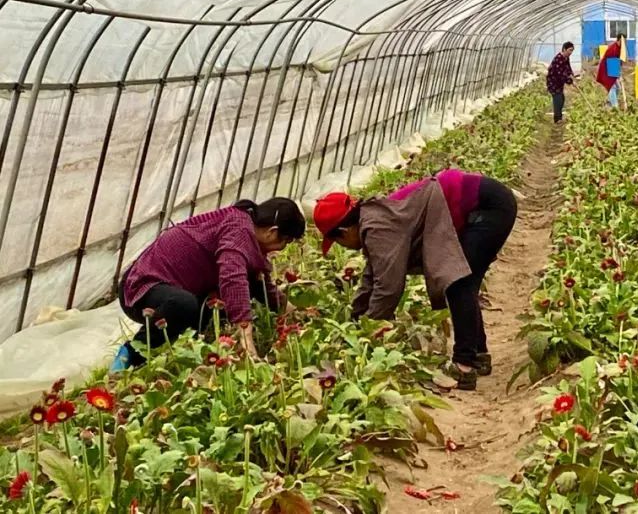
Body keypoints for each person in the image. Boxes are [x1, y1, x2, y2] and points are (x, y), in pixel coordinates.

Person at [314, 169, 517, 390]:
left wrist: (368, 331)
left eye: (339, 243)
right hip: (486, 204)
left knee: (459, 283)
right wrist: (356, 319)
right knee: (464, 283)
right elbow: (372, 277)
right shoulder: (372, 218)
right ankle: (477, 355)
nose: (344, 247)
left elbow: (389, 288)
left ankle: (464, 364)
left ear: (344, 232)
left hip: (488, 208)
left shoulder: (377, 228)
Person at [111, 197, 306, 369]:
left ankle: (194, 354)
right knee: (184, 304)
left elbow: (260, 284)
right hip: (142, 287)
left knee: (218, 307)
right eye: (285, 242)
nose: (282, 248)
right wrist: (247, 342)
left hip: (174, 289)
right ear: (272, 232)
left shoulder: (247, 232)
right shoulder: (238, 230)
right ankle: (132, 353)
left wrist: (292, 312)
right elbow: (233, 278)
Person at [546, 42, 577, 123]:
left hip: (559, 83)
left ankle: (559, 117)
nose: (571, 52)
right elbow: (561, 75)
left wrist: (572, 75)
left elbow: (568, 68)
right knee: (558, 100)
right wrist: (570, 81)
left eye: (572, 50)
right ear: (564, 49)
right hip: (553, 82)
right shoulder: (558, 59)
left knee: (562, 99)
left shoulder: (566, 58)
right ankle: (557, 119)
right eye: (570, 50)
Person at [596, 33, 625, 110]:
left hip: (611, 69)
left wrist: (619, 71)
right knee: (612, 86)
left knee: (618, 88)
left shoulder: (620, 48)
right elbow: (613, 66)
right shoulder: (613, 49)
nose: (624, 43)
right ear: (618, 40)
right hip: (606, 70)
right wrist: (618, 76)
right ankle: (615, 106)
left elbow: (619, 61)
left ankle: (609, 103)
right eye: (622, 41)